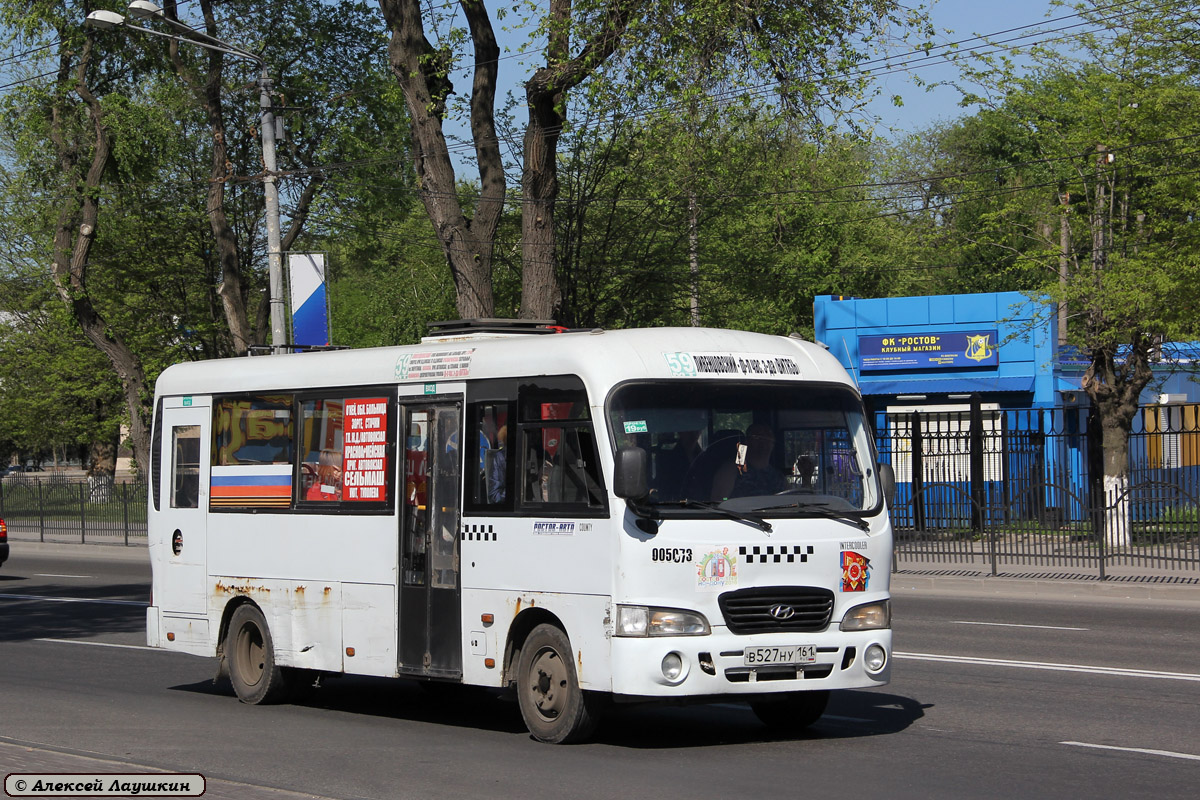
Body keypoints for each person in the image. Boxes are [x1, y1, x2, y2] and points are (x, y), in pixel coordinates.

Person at [711, 423, 786, 500]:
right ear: (747, 441)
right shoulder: (732, 470)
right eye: (757, 436)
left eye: (768, 435)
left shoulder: (779, 477)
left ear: (773, 442)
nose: (763, 439)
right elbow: (720, 502)